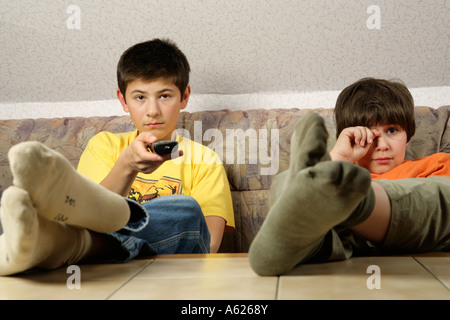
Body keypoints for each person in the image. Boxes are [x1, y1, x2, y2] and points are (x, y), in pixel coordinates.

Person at [0, 38, 234, 276]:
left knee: (185, 209)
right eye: (140, 97)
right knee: (86, 216)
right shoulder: (104, 145)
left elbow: (207, 244)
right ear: (123, 100)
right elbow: (87, 216)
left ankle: (61, 244)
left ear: (184, 96)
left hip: (165, 264)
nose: (152, 110)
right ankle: (59, 242)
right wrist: (126, 165)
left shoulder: (205, 159)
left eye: (164, 96)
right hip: (108, 262)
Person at [248, 77, 450, 276]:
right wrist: (339, 158)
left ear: (408, 136)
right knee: (292, 185)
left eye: (392, 130)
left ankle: (350, 200)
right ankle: (282, 242)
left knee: (442, 193)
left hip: (413, 232)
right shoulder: (343, 169)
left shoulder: (434, 164)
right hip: (343, 244)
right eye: (369, 133)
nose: (382, 145)